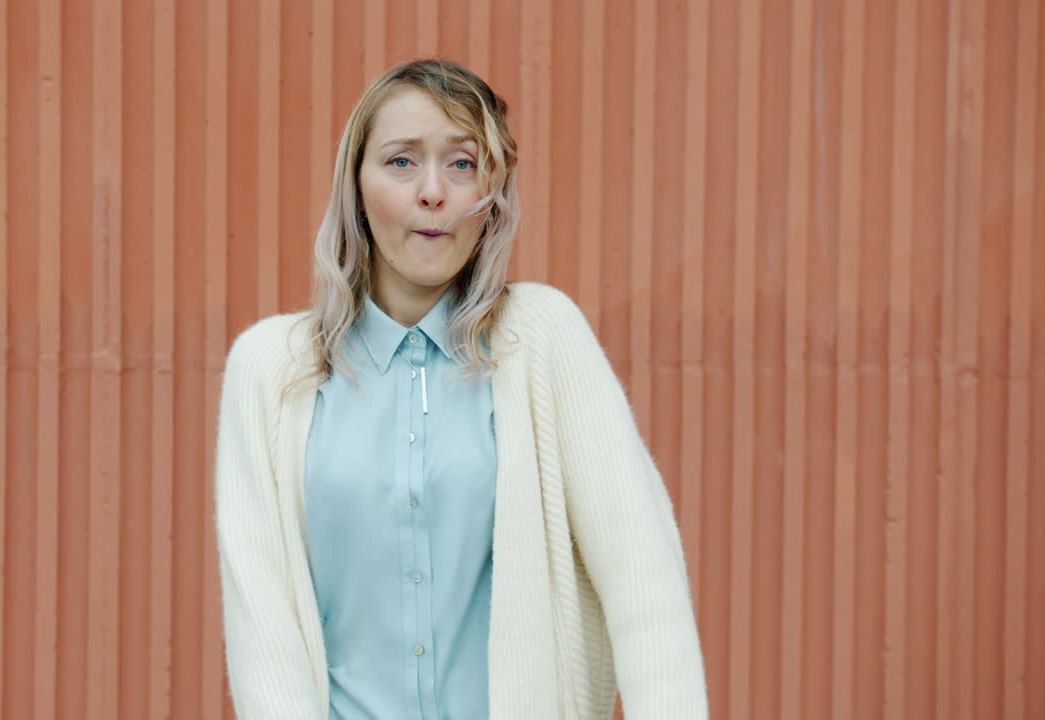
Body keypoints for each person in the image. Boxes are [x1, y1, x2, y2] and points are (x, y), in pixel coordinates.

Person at [216, 59, 708, 719]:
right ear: (355, 186)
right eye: (400, 162)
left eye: (462, 164)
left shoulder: (543, 338)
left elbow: (645, 588)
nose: (432, 193)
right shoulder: (270, 371)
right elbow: (263, 635)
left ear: (492, 194)